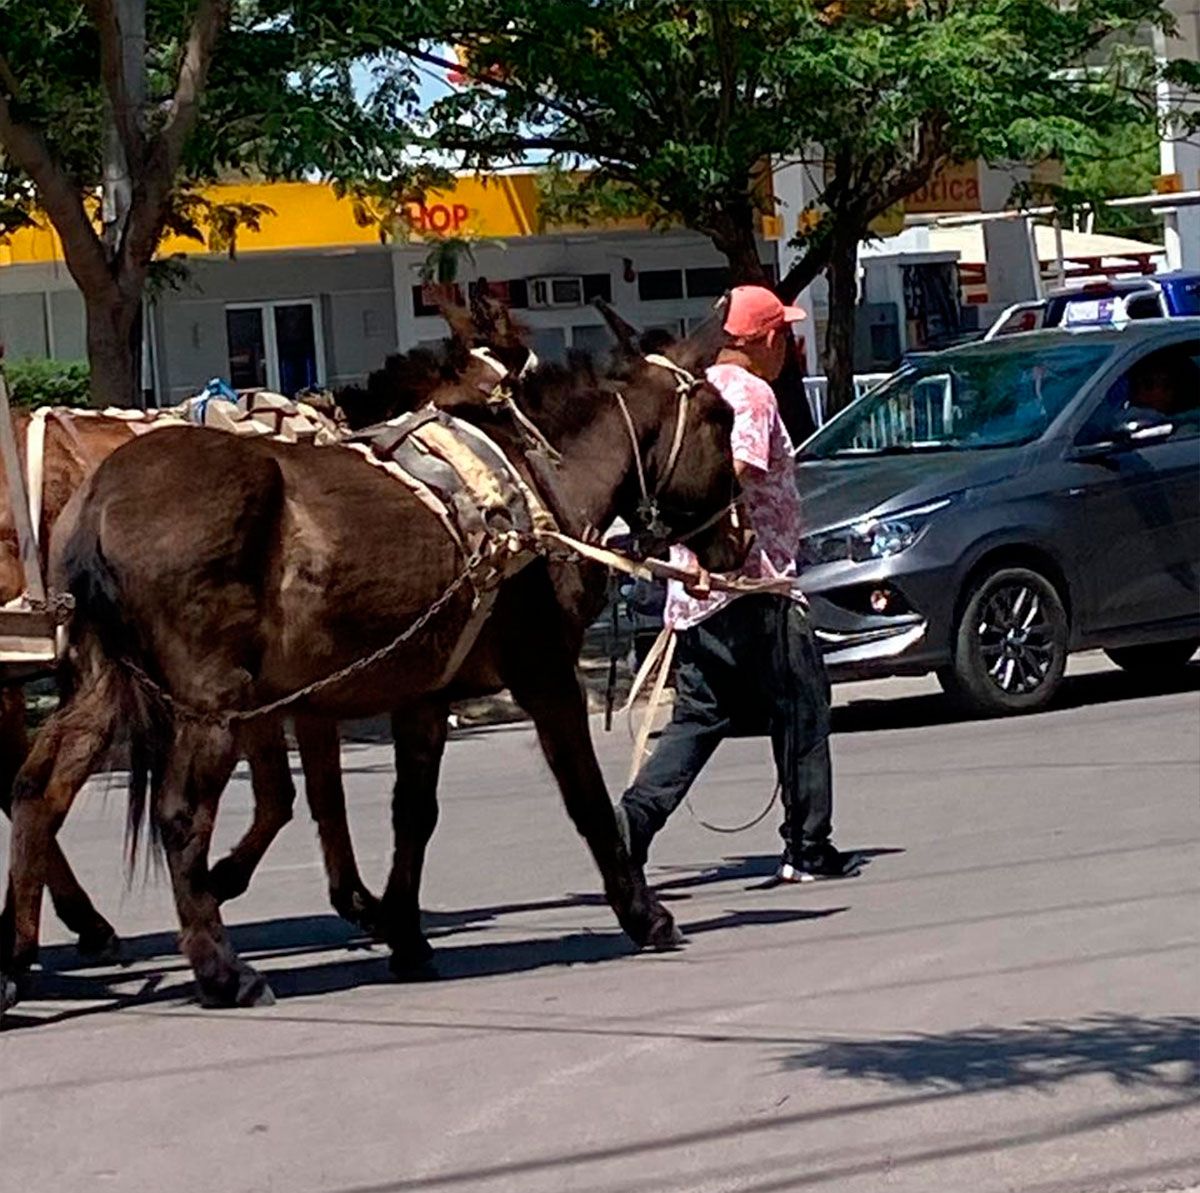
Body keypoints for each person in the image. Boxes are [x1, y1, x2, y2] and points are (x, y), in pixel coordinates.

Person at [616, 285, 861, 883]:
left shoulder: (695, 392)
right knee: (802, 708)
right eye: (786, 335)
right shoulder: (750, 394)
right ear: (767, 339)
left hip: (698, 592)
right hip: (757, 585)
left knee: (700, 717)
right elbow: (741, 470)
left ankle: (629, 830)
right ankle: (807, 846)